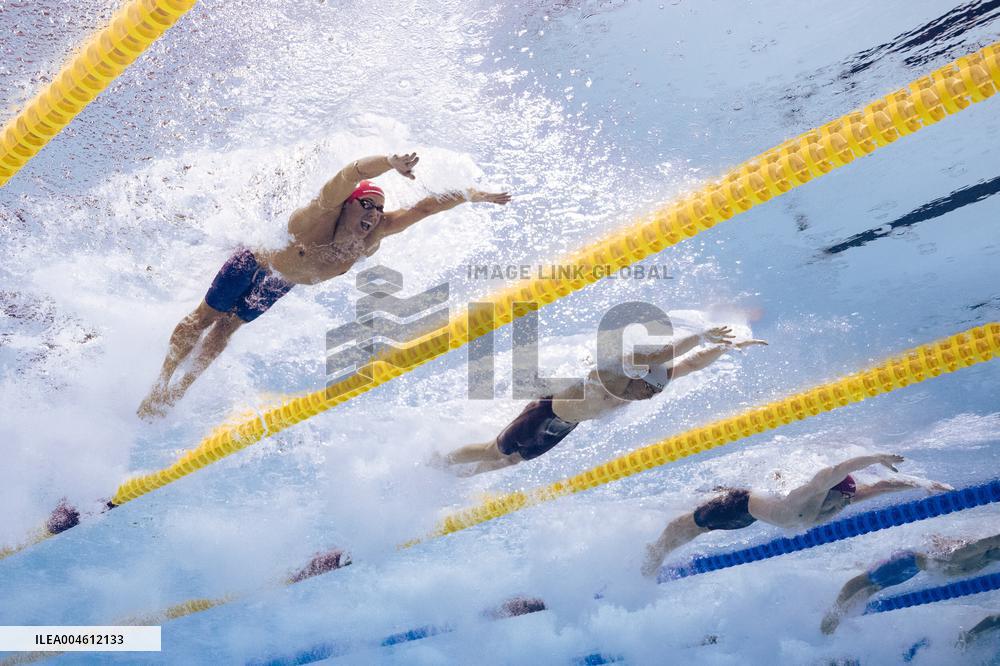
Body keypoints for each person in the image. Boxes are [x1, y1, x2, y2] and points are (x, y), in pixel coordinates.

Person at [138, 153, 511, 418]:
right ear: (347, 205)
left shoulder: (374, 234)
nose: (373, 214)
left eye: (379, 209)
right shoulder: (316, 218)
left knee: (227, 328)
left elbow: (426, 207)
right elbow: (348, 174)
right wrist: (390, 163)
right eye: (367, 204)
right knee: (206, 317)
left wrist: (474, 195)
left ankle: (180, 390)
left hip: (282, 283)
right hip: (252, 263)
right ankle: (161, 382)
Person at [434, 326, 767, 476]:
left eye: (654, 393)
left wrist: (725, 348)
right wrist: (699, 336)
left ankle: (457, 478)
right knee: (496, 450)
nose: (648, 396)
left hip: (565, 425)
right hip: (546, 410)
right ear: (639, 375)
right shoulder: (617, 370)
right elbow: (667, 352)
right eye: (648, 389)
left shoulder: (654, 381)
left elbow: (690, 365)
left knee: (512, 462)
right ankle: (440, 462)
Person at [641, 454, 953, 578]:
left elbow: (883, 486)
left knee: (695, 531)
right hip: (738, 505)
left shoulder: (842, 498)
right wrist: (874, 457)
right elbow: (834, 470)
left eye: (847, 500)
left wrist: (922, 483)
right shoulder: (812, 493)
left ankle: (655, 552)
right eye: (841, 498)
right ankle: (650, 556)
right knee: (682, 530)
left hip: (752, 516)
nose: (844, 505)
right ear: (829, 492)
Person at [821, 532, 1000, 634]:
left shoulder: (986, 560)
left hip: (912, 567)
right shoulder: (973, 551)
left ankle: (835, 615)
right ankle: (833, 613)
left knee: (873, 587)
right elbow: (990, 540)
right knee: (868, 582)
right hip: (909, 560)